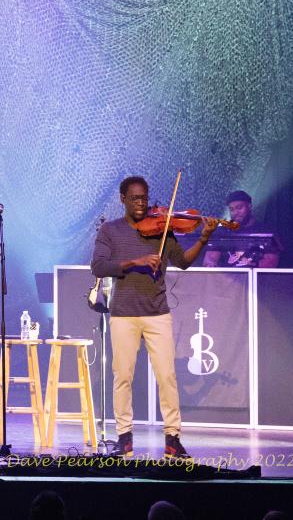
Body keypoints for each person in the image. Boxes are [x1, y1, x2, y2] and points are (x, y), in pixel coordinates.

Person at [91, 176, 219, 460]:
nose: (141, 204)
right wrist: (134, 262)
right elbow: (98, 266)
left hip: (157, 313)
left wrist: (204, 237)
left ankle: (173, 439)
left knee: (167, 377)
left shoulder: (163, 230)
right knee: (122, 377)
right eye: (135, 198)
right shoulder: (110, 231)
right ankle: (124, 438)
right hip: (123, 314)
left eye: (145, 198)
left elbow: (183, 262)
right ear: (122, 199)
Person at [203, 190, 282, 268]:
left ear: (249, 206)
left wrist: (250, 267)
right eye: (232, 209)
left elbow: (271, 263)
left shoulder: (265, 231)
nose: (235, 212)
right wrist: (211, 265)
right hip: (226, 280)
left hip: (255, 279)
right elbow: (210, 260)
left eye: (239, 208)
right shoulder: (222, 231)